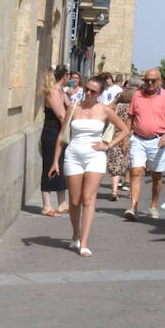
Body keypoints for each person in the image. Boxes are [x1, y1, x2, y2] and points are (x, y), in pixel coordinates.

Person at [50, 75, 130, 257]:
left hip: (95, 156)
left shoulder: (105, 110)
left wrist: (108, 144)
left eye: (93, 91)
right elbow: (62, 135)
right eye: (87, 89)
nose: (88, 93)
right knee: (75, 201)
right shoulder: (73, 108)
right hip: (73, 155)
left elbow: (124, 129)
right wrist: (55, 160)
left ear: (100, 94)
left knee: (88, 199)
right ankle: (75, 234)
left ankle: (84, 242)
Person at [125, 68, 165, 221]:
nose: (150, 83)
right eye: (147, 80)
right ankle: (133, 206)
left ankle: (153, 205)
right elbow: (130, 118)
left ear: (160, 81)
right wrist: (126, 138)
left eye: (153, 80)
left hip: (158, 141)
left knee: (156, 176)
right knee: (136, 171)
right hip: (138, 139)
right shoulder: (137, 96)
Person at [39, 66, 70, 216]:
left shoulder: (60, 92)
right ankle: (46, 206)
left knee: (61, 166)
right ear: (64, 76)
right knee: (50, 166)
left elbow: (70, 109)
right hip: (52, 133)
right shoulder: (52, 92)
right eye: (68, 76)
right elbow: (62, 115)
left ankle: (62, 203)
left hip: (60, 132)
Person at [105, 81, 134, 201]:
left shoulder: (117, 107)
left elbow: (107, 112)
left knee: (115, 166)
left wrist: (116, 100)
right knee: (131, 165)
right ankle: (132, 192)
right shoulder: (133, 109)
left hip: (115, 136)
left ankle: (114, 191)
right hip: (130, 136)